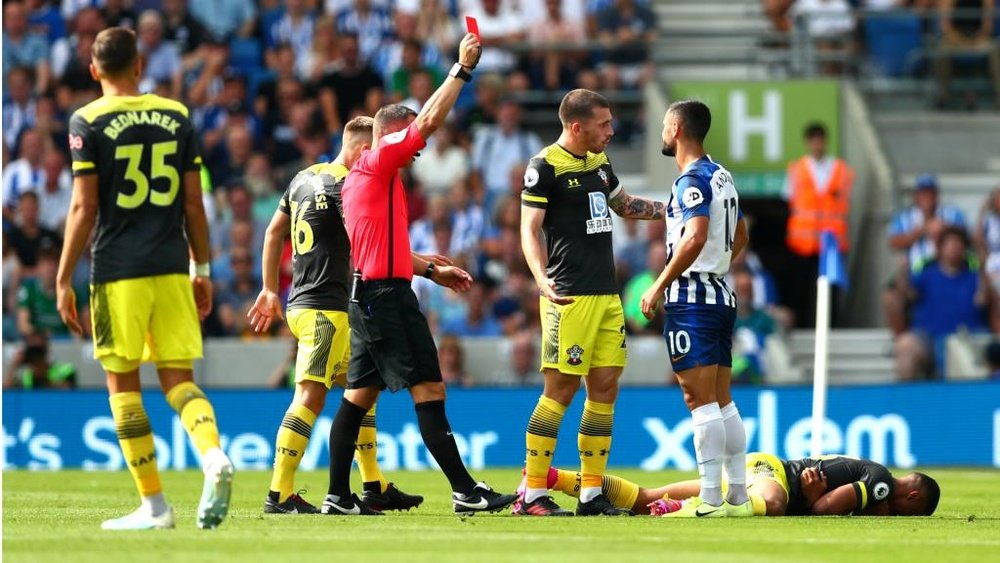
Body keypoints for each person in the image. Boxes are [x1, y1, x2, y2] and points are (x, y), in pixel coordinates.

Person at [323, 33, 517, 517]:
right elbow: (428, 119)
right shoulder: (378, 162)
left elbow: (386, 251)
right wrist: (461, 70)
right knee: (429, 389)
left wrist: (431, 269)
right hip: (385, 299)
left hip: (367, 295)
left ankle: (338, 497)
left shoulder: (367, 182)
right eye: (409, 138)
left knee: (356, 399)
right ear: (390, 136)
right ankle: (465, 492)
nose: (419, 148)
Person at [56, 27, 233, 531]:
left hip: (117, 271)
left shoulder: (85, 120)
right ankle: (212, 454)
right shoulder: (177, 115)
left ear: (94, 71)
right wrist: (202, 268)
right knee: (179, 382)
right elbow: (195, 203)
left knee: (123, 386)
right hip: (173, 265)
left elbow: (83, 206)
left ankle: (154, 506)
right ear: (138, 65)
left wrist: (64, 276)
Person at [246, 116, 423, 514]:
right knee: (309, 396)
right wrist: (429, 268)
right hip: (326, 308)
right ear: (364, 151)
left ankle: (374, 484)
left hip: (303, 300)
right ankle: (280, 494)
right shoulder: (350, 186)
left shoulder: (303, 177)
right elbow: (375, 245)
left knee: (361, 391)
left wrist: (269, 288)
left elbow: (274, 231)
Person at [518, 89, 667, 517]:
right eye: (603, 124)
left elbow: (623, 205)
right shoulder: (543, 167)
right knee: (560, 390)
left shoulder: (599, 163)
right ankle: (531, 494)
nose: (611, 130)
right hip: (569, 295)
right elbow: (530, 229)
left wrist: (671, 209)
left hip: (607, 294)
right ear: (577, 126)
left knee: (604, 388)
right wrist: (540, 278)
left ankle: (590, 494)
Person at [638, 100, 751, 518]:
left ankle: (709, 498)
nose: (662, 131)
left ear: (678, 127)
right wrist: (718, 267)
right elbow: (740, 235)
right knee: (723, 401)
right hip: (720, 296)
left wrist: (658, 285)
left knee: (697, 398)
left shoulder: (692, 180)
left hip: (692, 300)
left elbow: (695, 236)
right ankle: (737, 496)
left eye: (666, 124)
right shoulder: (721, 176)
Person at [519, 453, 940, 517]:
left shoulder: (876, 472)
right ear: (914, 495)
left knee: (646, 496)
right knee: (772, 503)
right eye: (912, 511)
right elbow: (821, 507)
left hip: (762, 468)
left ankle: (547, 478)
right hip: (773, 476)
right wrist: (813, 497)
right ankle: (686, 512)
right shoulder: (882, 483)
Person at [894, 226, 989, 380]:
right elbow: (908, 295)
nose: (953, 249)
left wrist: (983, 268)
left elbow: (982, 300)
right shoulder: (926, 275)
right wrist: (903, 272)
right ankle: (905, 400)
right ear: (940, 249)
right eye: (949, 244)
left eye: (958, 244)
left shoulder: (974, 277)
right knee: (905, 345)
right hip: (929, 339)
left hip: (966, 338)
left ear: (964, 249)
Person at [783, 122, 853, 328]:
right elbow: (789, 200)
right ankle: (802, 326)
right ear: (808, 143)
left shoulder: (840, 170)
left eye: (820, 140)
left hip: (831, 242)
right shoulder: (797, 169)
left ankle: (831, 326)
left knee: (831, 287)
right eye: (813, 141)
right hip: (802, 242)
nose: (817, 145)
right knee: (801, 288)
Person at [884, 175, 967, 336]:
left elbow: (964, 235)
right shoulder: (905, 217)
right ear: (916, 195)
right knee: (891, 296)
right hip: (915, 271)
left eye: (931, 193)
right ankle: (902, 339)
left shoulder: (951, 214)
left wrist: (942, 229)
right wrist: (922, 230)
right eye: (923, 193)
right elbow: (894, 242)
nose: (927, 198)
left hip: (945, 268)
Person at [3, 331, 77, 390]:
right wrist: (14, 366)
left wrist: (42, 377)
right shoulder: (26, 376)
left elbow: (68, 391)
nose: (36, 356)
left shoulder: (65, 370)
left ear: (46, 350)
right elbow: (6, 396)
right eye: (32, 352)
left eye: (39, 351)